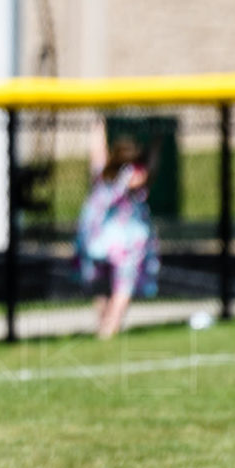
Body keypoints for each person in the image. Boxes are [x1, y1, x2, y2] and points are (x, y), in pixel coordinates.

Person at [74, 118, 160, 339]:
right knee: (113, 289)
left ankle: (107, 329)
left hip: (105, 242)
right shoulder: (112, 177)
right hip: (112, 243)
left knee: (112, 288)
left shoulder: (108, 177)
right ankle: (107, 329)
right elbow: (98, 154)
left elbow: (98, 153)